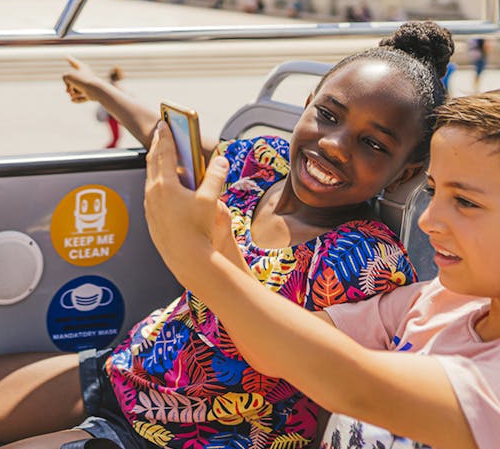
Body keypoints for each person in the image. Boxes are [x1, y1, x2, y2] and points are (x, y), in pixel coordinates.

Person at [0, 21, 454, 449]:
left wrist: (208, 249)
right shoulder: (261, 161)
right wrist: (100, 89)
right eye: (328, 114)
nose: (332, 144)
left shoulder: (367, 262)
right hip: (137, 369)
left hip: (210, 433)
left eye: (372, 143)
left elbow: (331, 388)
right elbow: (169, 139)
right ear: (306, 105)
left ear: (406, 170)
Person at [144, 91, 500, 449]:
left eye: (465, 202)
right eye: (433, 191)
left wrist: (198, 260)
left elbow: (357, 390)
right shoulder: (438, 301)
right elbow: (273, 350)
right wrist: (220, 244)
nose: (428, 220)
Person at [96, 67, 124, 148]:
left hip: (112, 115)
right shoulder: (114, 87)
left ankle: (110, 150)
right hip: (112, 115)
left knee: (116, 137)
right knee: (116, 137)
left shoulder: (109, 85)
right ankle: (106, 150)